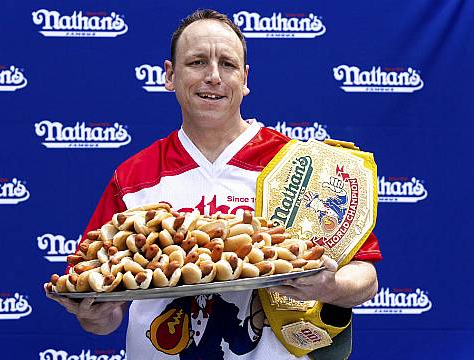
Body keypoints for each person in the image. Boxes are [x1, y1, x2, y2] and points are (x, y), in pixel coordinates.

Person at [46, 9, 382, 360]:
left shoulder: (297, 165)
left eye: (228, 64)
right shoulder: (134, 176)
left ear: (245, 78)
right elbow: (104, 312)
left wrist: (330, 286)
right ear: (170, 75)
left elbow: (365, 275)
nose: (213, 76)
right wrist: (94, 315)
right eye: (196, 62)